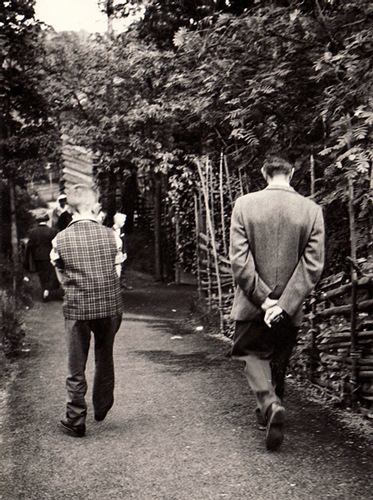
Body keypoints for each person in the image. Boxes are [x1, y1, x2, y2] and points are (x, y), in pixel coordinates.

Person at [229, 154, 325, 451]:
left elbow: (239, 261)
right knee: (278, 359)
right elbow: (313, 265)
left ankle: (270, 406)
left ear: (263, 173)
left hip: (251, 303)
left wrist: (264, 299)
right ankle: (271, 411)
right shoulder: (311, 210)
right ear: (292, 173)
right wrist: (283, 304)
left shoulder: (244, 205)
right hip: (290, 307)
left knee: (249, 353)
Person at [50, 184, 125, 438]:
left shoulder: (59, 239)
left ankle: (76, 419)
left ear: (69, 209)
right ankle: (102, 406)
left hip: (77, 307)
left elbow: (60, 275)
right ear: (95, 206)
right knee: (105, 356)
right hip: (109, 306)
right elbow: (117, 272)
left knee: (76, 364)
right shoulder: (111, 236)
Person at [27, 212, 58, 301]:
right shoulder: (53, 231)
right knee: (50, 274)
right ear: (47, 220)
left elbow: (30, 246)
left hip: (38, 256)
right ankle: (47, 290)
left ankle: (44, 289)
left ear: (37, 221)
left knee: (42, 274)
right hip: (50, 256)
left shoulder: (32, 232)